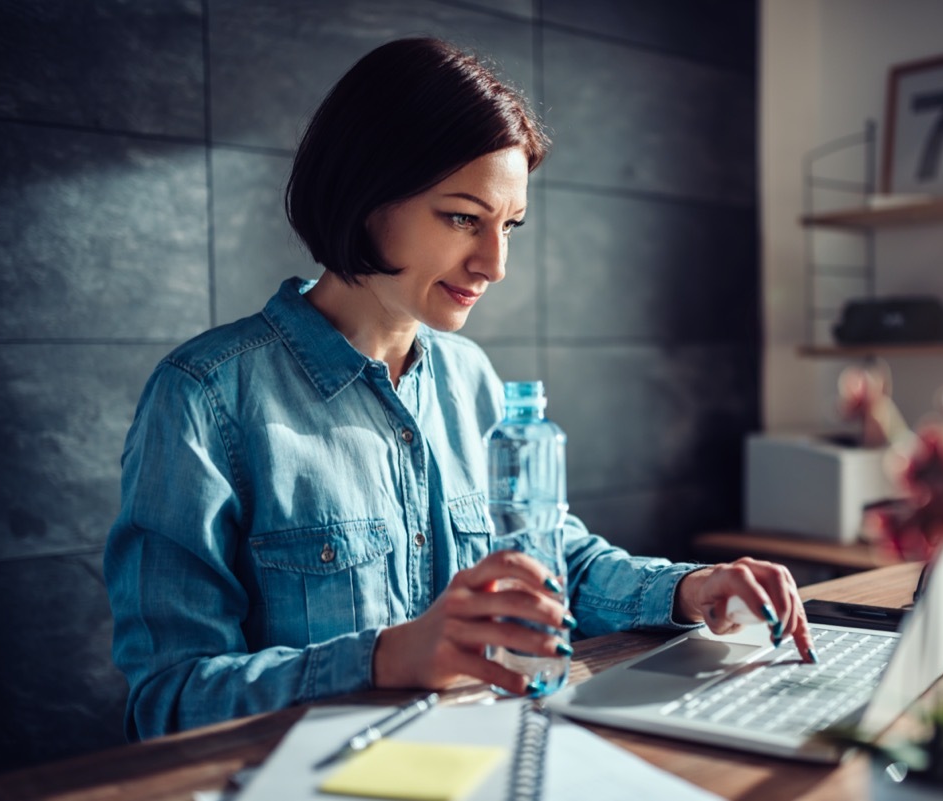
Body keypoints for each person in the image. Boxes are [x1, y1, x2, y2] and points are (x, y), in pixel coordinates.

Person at [104, 37, 815, 742]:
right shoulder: (204, 398)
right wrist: (388, 658)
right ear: (365, 192)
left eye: (509, 226)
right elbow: (167, 700)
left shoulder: (471, 377)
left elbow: (554, 561)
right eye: (462, 218)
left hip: (481, 758)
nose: (494, 263)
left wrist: (689, 589)